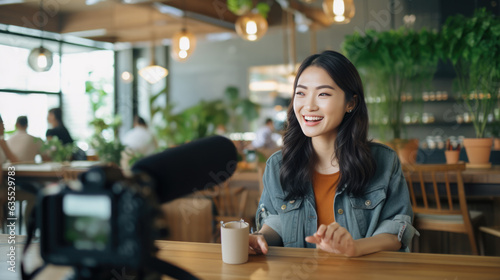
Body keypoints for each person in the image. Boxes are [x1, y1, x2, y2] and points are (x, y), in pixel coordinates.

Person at [249, 51, 418, 258]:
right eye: (301, 93)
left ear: (351, 103)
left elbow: (396, 230)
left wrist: (354, 248)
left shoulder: (384, 161)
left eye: (323, 94)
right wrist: (260, 238)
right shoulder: (278, 165)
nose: (309, 106)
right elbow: (275, 220)